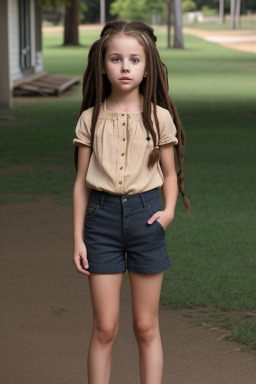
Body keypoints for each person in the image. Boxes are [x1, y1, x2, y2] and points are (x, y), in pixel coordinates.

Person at [72, 20, 190, 384]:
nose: (125, 67)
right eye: (116, 59)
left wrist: (168, 213)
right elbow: (81, 184)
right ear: (102, 65)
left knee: (145, 326)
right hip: (101, 222)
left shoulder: (159, 117)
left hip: (146, 218)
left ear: (147, 65)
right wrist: (77, 238)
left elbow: (170, 175)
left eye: (135, 59)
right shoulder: (90, 119)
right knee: (105, 327)